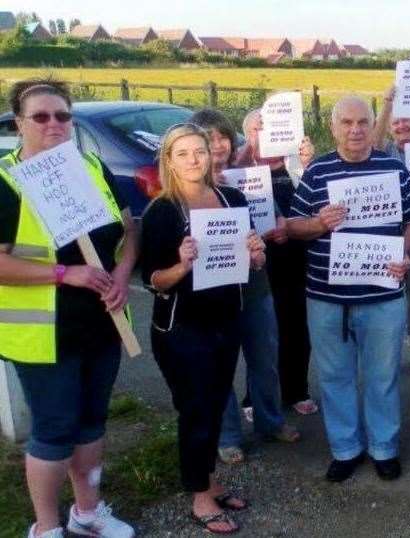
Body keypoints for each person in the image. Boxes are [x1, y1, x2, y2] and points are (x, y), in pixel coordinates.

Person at [0, 79, 137, 538]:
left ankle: (87, 512)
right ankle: (45, 526)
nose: (54, 124)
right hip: (42, 335)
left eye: (62, 115)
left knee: (91, 424)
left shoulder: (92, 166)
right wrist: (66, 274)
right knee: (54, 430)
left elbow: (129, 231)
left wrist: (121, 273)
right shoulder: (5, 182)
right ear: (19, 123)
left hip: (102, 323)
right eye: (41, 116)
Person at [287, 96, 410, 482]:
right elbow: (291, 226)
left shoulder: (393, 168)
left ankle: (384, 447)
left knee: (383, 376)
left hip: (382, 296)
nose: (356, 130)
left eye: (363, 122)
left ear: (371, 124)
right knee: (334, 376)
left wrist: (404, 250)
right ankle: (345, 449)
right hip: (327, 298)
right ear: (333, 128)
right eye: (346, 122)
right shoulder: (316, 171)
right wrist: (319, 223)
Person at [140, 123, 266, 534]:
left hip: (225, 320)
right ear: (169, 161)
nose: (194, 160)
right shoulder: (163, 210)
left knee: (214, 405)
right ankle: (199, 496)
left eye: (200, 151)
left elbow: (249, 265)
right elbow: (153, 280)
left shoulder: (232, 198)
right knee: (195, 409)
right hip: (181, 329)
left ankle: (207, 479)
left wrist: (257, 252)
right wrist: (182, 264)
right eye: (184, 153)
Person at [188, 109, 301, 467]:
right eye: (208, 139)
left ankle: (270, 422)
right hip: (211, 294)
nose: (216, 145)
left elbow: (269, 220)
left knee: (264, 359)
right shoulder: (185, 187)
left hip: (254, 286)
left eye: (222, 137)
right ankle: (229, 436)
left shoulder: (246, 180)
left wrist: (267, 236)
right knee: (220, 365)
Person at [236, 109, 319, 417]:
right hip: (259, 263)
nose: (267, 133)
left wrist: (309, 162)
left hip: (297, 258)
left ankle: (297, 389)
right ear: (248, 135)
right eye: (259, 128)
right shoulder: (240, 168)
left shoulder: (297, 165)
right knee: (261, 331)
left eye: (271, 126)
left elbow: (318, 204)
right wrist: (249, 149)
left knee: (297, 327)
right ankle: (253, 397)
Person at [370, 89, 410, 348]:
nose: (401, 125)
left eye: (406, 119)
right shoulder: (384, 151)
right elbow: (372, 143)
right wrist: (386, 104)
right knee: (386, 294)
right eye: (395, 122)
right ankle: (386, 352)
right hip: (388, 233)